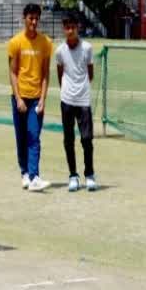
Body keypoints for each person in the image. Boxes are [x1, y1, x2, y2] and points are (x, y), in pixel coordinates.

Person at [9, 3, 54, 192]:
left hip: (36, 97)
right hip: (20, 97)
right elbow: (12, 73)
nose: (34, 22)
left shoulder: (46, 43)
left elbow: (45, 74)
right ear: (24, 18)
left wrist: (43, 99)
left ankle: (35, 176)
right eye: (31, 18)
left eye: (37, 18)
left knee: (34, 136)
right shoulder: (15, 42)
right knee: (21, 137)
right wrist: (18, 98)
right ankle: (25, 173)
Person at [55, 15, 96, 193]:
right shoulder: (59, 51)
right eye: (67, 27)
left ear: (77, 28)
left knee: (87, 139)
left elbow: (90, 73)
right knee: (68, 139)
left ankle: (90, 175)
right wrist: (67, 90)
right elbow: (60, 73)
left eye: (73, 27)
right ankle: (73, 175)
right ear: (64, 29)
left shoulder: (87, 48)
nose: (70, 31)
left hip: (84, 100)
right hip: (67, 100)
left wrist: (81, 88)